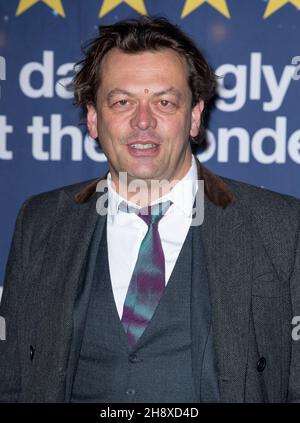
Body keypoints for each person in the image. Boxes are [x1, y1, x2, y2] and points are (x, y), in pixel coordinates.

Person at [0, 16, 300, 403]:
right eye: (122, 101)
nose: (143, 121)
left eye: (164, 101)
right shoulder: (39, 222)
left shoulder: (282, 227)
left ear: (194, 117)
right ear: (93, 118)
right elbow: (11, 384)